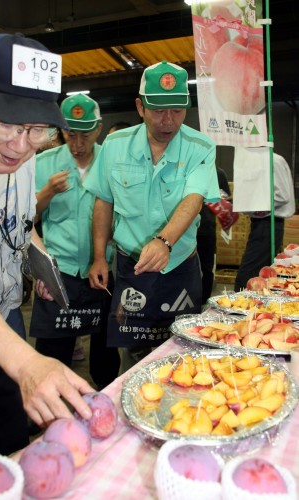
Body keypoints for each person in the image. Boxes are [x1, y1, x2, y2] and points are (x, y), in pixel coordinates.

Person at [0, 33, 93, 458]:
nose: (19, 146)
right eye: (4, 123)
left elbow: (18, 225)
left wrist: (39, 262)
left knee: (12, 444)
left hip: (4, 319)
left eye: (36, 130)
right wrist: (26, 364)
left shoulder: (23, 154)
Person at [84, 61, 220, 372]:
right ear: (140, 107)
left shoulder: (200, 147)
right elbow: (103, 202)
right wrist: (98, 257)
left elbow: (193, 199)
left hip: (180, 263)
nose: (168, 120)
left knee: (183, 346)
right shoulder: (116, 146)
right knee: (134, 349)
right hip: (133, 265)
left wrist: (164, 241)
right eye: (159, 110)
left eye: (177, 110)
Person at [29, 93, 120, 389]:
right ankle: (50, 410)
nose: (78, 144)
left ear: (98, 129)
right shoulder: (43, 164)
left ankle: (106, 398)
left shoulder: (114, 162)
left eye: (85, 134)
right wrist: (46, 193)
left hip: (103, 271)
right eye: (70, 134)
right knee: (54, 351)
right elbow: (25, 218)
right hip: (60, 272)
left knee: (105, 350)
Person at [234, 151, 296, 291]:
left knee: (249, 270)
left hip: (269, 222)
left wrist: (257, 207)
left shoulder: (273, 161)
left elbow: (281, 195)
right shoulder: (256, 162)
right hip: (261, 222)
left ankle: (238, 306)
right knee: (260, 270)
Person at [197, 167, 231, 305]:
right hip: (182, 229)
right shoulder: (184, 167)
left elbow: (227, 199)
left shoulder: (218, 173)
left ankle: (204, 302)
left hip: (206, 227)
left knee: (206, 268)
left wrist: (216, 199)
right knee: (182, 266)